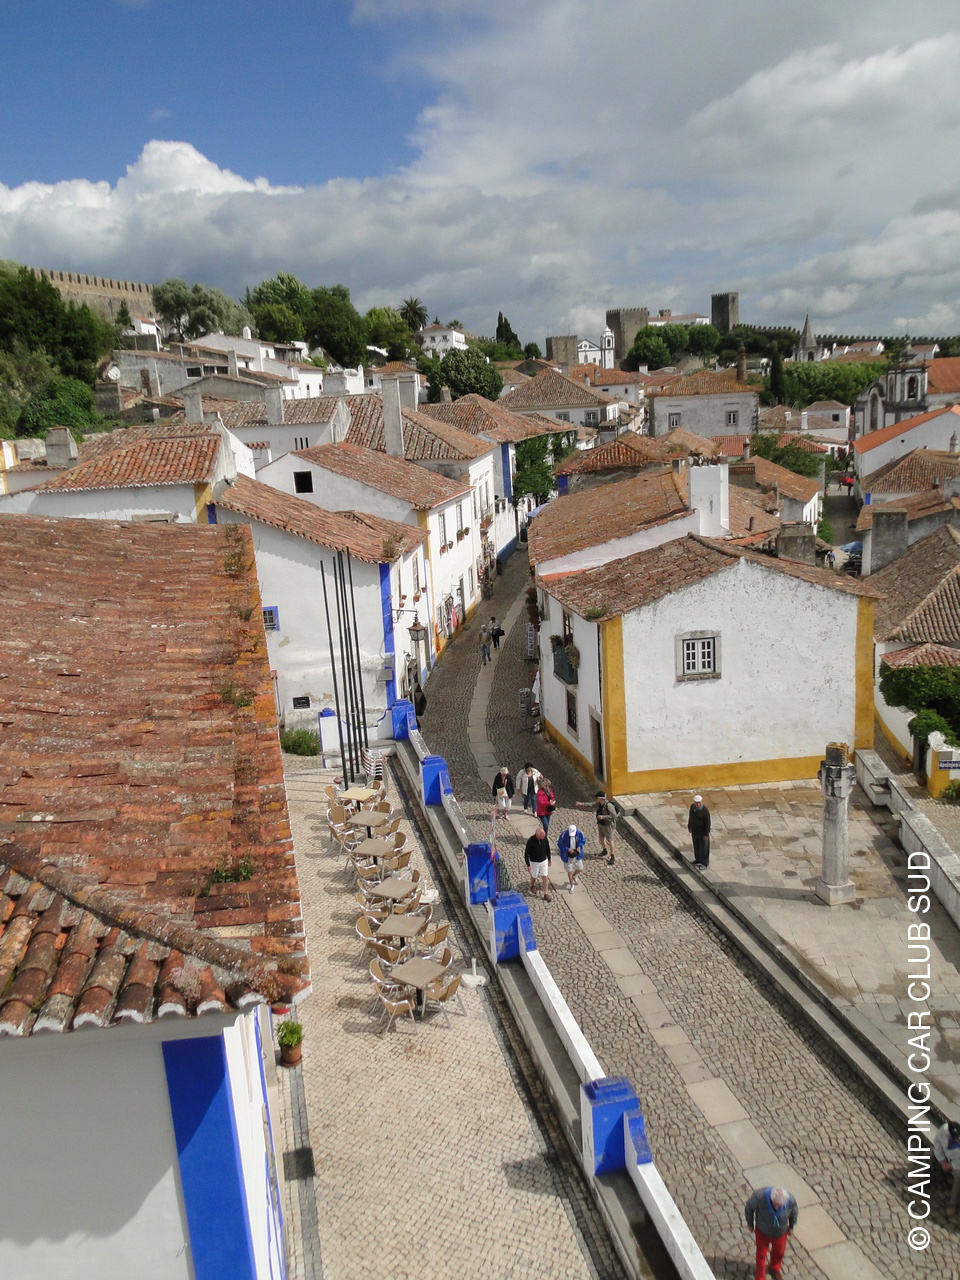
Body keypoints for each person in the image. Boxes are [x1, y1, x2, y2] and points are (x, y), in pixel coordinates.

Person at [744, 1186, 797, 1280]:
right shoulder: (759, 1196)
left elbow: (794, 1213)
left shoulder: (790, 1200)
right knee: (761, 1254)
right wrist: (750, 1223)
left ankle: (774, 1268)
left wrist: (791, 1226)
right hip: (762, 1231)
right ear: (772, 1199)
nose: (778, 1207)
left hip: (780, 1232)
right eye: (776, 1205)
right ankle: (760, 1276)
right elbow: (749, 1208)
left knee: (779, 1252)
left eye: (780, 1206)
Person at [577, 791, 620, 865]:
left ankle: (612, 856)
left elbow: (614, 816)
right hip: (601, 824)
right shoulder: (599, 803)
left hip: (608, 825)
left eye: (597, 797)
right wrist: (581, 804)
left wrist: (603, 817)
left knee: (610, 840)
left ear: (601, 798)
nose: (596, 798)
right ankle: (604, 850)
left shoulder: (609, 806)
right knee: (601, 838)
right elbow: (591, 805)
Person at [934, 1119, 960, 1215]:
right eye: (955, 1137)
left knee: (959, 1175)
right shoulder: (944, 1130)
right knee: (930, 1153)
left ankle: (953, 1203)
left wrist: (951, 1165)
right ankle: (921, 1177)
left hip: (957, 1164)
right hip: (946, 1158)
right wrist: (942, 1162)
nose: (958, 1139)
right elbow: (937, 1144)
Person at [524, 824, 552, 901]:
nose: (544, 837)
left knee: (545, 876)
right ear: (538, 835)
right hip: (534, 862)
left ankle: (546, 893)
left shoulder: (544, 839)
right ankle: (533, 885)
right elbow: (526, 853)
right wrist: (528, 864)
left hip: (543, 861)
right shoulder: (531, 841)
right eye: (542, 836)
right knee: (534, 876)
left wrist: (549, 859)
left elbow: (547, 848)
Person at [557, 823, 586, 892]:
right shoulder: (564, 835)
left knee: (580, 868)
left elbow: (583, 840)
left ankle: (574, 875)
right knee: (569, 870)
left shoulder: (579, 833)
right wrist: (567, 849)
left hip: (577, 854)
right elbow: (560, 844)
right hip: (567, 855)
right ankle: (572, 885)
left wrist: (580, 846)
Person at [688, 794, 711, 869]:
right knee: (696, 846)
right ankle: (698, 859)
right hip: (695, 831)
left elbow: (708, 823)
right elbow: (691, 817)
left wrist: (706, 834)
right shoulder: (692, 808)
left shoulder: (705, 811)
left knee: (704, 848)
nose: (698, 805)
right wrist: (690, 826)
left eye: (699, 803)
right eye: (696, 803)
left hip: (702, 833)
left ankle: (704, 863)